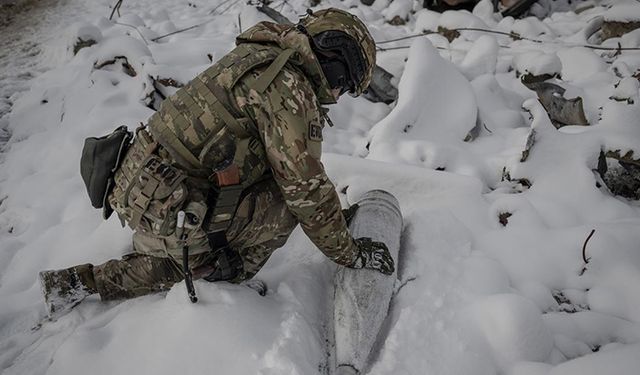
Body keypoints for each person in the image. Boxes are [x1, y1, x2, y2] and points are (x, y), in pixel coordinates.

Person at [39, 8, 395, 317]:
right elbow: (305, 190)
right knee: (286, 210)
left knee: (277, 193)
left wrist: (332, 221)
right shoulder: (289, 87)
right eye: (344, 86)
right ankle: (223, 273)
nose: (337, 96)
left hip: (146, 186)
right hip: (173, 204)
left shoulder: (261, 53)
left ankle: (80, 281)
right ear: (336, 61)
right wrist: (350, 252)